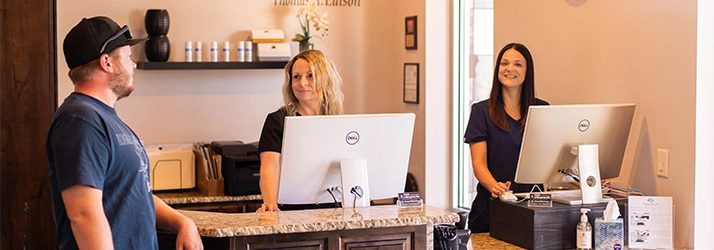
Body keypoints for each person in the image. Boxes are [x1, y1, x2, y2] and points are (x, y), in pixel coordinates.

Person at [46, 16, 203, 250]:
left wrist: (182, 222)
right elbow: (83, 215)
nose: (133, 65)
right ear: (107, 62)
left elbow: (133, 193)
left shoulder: (103, 118)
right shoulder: (80, 121)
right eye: (128, 57)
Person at [462, 43, 549, 233]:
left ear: (527, 72)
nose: (509, 69)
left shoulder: (542, 110)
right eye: (504, 63)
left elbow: (556, 157)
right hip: (492, 210)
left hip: (534, 210)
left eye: (517, 64)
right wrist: (497, 188)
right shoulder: (481, 111)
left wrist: (586, 179)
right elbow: (479, 163)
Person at [256, 49, 344, 212]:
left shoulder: (337, 121)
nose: (302, 82)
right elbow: (270, 166)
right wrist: (270, 204)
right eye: (296, 77)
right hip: (291, 209)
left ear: (325, 79)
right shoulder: (277, 120)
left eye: (310, 75)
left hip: (333, 208)